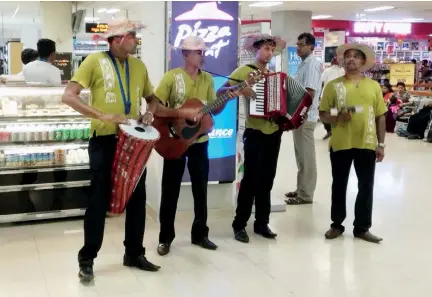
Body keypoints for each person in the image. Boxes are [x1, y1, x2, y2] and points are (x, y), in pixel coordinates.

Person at [62, 19, 201, 282]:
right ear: (116, 39)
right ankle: (88, 258)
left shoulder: (138, 66)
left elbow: (152, 100)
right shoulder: (93, 61)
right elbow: (69, 96)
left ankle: (134, 253)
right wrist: (102, 115)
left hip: (134, 140)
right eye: (132, 36)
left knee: (137, 199)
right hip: (104, 140)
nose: (136, 40)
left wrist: (150, 113)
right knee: (98, 200)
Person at [155, 36, 238, 255]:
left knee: (200, 189)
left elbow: (212, 109)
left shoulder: (208, 79)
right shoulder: (171, 78)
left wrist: (226, 99)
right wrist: (181, 114)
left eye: (203, 52)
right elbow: (157, 109)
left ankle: (200, 234)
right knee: (170, 190)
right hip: (174, 140)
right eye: (199, 52)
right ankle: (165, 238)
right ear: (185, 54)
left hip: (200, 142)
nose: (203, 56)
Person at [217, 34, 286, 243]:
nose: (269, 53)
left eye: (272, 50)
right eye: (266, 48)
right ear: (256, 50)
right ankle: (239, 224)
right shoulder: (244, 71)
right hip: (254, 131)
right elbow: (221, 91)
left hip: (274, 132)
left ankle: (262, 223)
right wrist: (239, 89)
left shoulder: (274, 75)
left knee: (267, 179)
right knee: (250, 180)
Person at [319, 43, 387, 244]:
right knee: (339, 184)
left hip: (366, 142)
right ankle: (337, 224)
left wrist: (381, 144)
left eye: (356, 56)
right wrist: (337, 115)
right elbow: (323, 113)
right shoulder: (334, 86)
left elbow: (381, 116)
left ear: (363, 61)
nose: (351, 59)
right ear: (342, 61)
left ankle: (362, 227)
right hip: (341, 143)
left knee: (366, 185)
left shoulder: (373, 86)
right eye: (348, 56)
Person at [285, 33, 322, 205]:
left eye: (301, 45)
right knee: (300, 155)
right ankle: (301, 189)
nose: (298, 48)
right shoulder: (303, 64)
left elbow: (310, 92)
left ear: (311, 47)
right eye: (297, 45)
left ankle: (306, 195)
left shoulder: (313, 64)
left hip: (306, 117)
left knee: (307, 157)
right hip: (298, 117)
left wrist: (302, 113)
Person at [321, 56, 345, 140]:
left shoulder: (327, 71)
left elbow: (322, 80)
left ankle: (329, 130)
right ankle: (336, 131)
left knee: (323, 113)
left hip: (327, 95)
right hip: (339, 95)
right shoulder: (342, 71)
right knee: (335, 112)